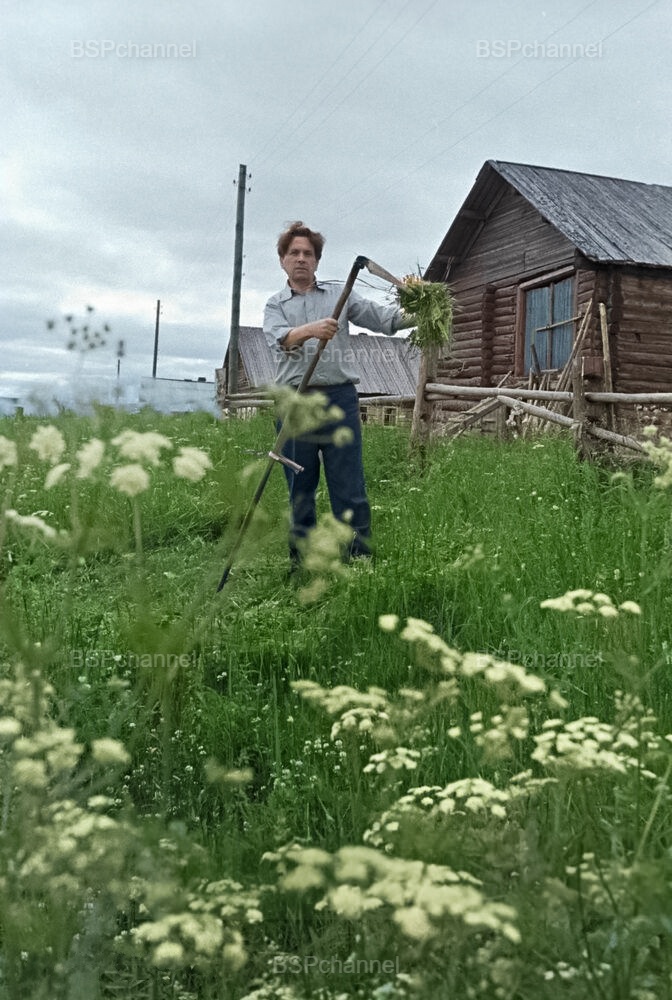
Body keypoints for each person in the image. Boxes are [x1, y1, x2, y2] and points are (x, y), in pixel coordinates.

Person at [263, 220, 411, 569]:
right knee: (300, 485)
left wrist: (422, 310)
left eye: (308, 254)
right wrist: (312, 330)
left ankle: (358, 558)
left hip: (340, 399)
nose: (301, 259)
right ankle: (303, 562)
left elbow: (384, 319)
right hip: (295, 402)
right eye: (294, 253)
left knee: (349, 484)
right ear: (283, 260)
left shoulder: (339, 296)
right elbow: (281, 340)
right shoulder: (275, 305)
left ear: (317, 261)